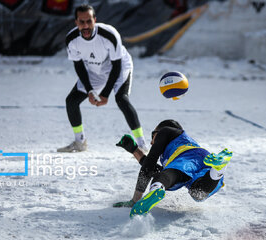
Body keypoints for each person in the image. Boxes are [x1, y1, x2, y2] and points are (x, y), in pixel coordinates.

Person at [57, 4, 146, 152]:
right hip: (94, 71)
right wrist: (90, 90)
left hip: (119, 66)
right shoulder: (72, 39)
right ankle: (80, 142)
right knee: (71, 101)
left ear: (95, 20)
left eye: (89, 21)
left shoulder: (109, 35)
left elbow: (116, 66)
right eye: (81, 22)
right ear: (76, 22)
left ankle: (142, 145)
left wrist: (104, 94)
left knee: (121, 100)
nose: (86, 26)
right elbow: (79, 66)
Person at [114, 119, 232, 217]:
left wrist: (135, 200)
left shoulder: (166, 131)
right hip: (204, 161)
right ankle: (217, 170)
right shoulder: (175, 153)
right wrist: (135, 150)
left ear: (159, 131)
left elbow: (150, 161)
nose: (151, 142)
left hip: (186, 157)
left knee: (163, 177)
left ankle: (155, 190)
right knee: (198, 193)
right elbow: (156, 170)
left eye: (152, 135)